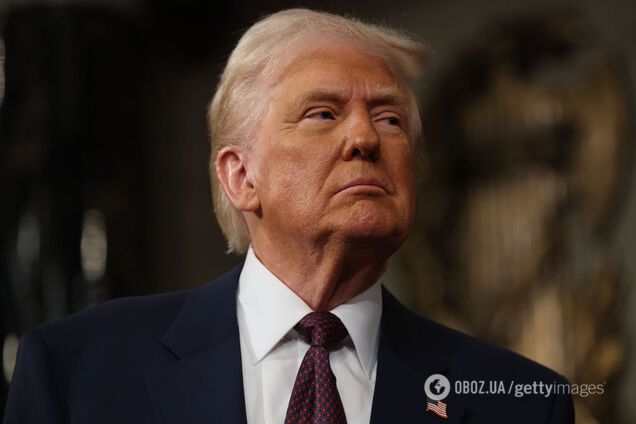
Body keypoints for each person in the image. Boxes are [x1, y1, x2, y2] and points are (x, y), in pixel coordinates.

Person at [4, 8, 574, 424]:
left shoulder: (521, 403)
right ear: (241, 177)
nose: (365, 138)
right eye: (323, 113)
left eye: (391, 119)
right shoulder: (77, 371)